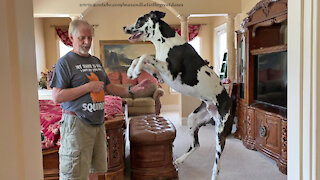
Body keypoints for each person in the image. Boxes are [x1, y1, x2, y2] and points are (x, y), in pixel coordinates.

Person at [50, 19, 150, 180]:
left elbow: (108, 87)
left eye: (90, 37)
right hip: (77, 124)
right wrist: (87, 88)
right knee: (74, 175)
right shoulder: (65, 63)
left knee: (95, 170)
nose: (87, 42)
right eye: (82, 38)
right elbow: (57, 97)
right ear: (71, 37)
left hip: (97, 124)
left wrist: (131, 89)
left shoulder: (95, 61)